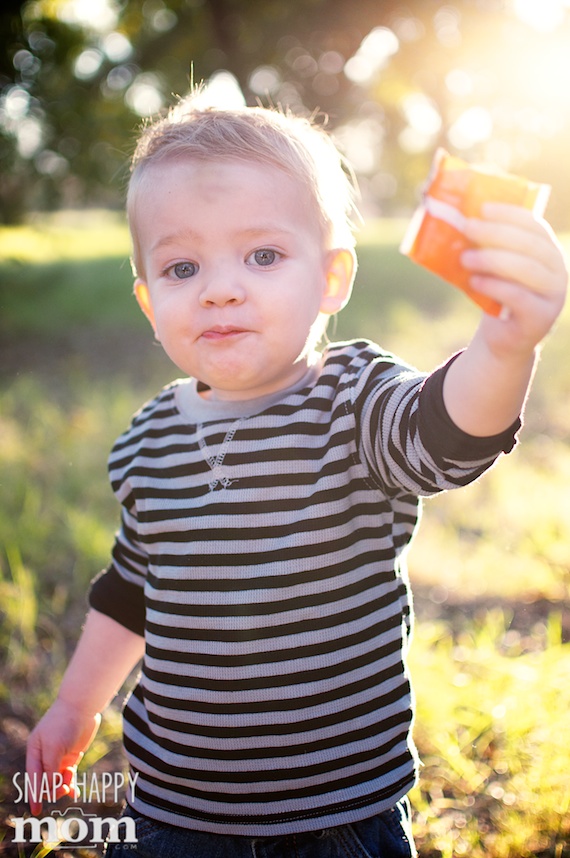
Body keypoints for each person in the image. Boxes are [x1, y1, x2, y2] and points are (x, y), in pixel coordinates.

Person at [26, 96, 567, 858]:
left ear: (332, 277)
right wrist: (76, 706)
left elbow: (445, 435)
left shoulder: (353, 399)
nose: (220, 288)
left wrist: (507, 347)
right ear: (150, 302)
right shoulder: (149, 437)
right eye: (182, 267)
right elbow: (130, 590)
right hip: (175, 809)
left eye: (263, 256)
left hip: (336, 812)